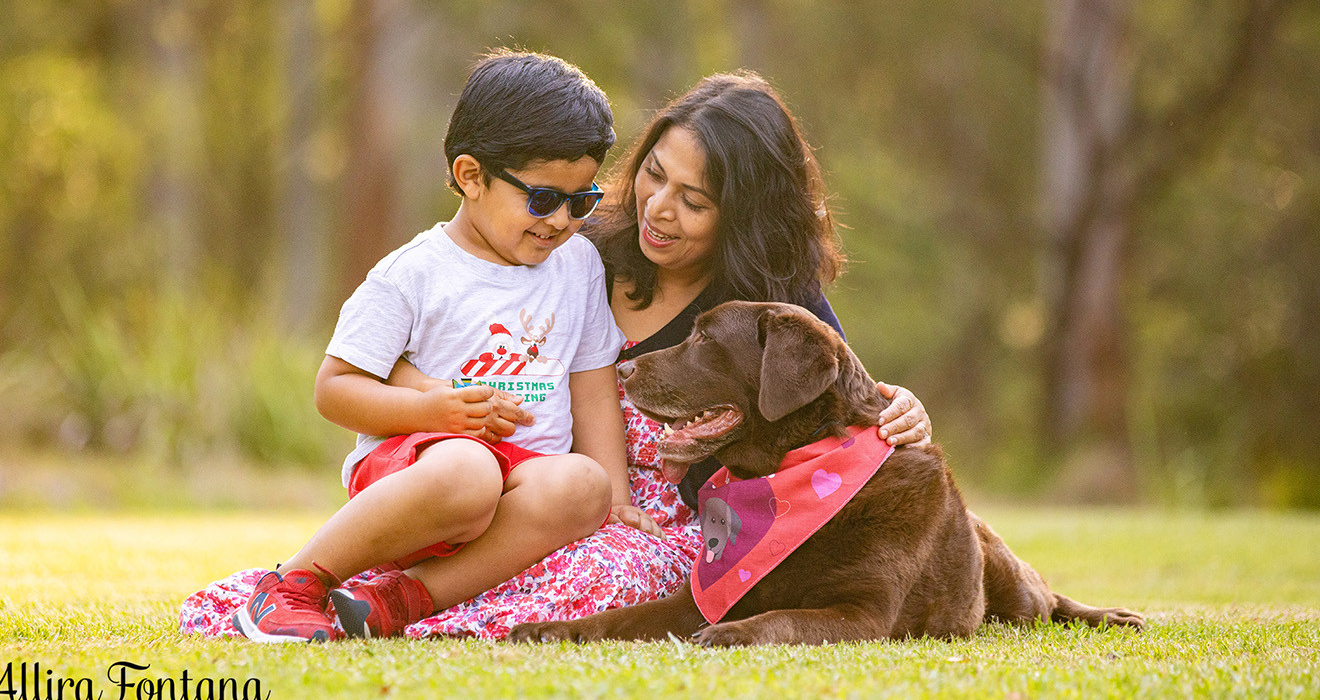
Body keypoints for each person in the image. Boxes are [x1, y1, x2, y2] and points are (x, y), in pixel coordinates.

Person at [179, 70, 929, 640]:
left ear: (744, 216)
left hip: (606, 509)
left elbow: (841, 391)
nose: (657, 209)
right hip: (468, 467)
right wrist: (438, 402)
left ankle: (397, 602)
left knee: (605, 554)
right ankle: (308, 586)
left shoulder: (763, 300)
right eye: (652, 176)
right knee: (488, 486)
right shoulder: (576, 244)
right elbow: (402, 355)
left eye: (694, 201)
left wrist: (904, 407)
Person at [228, 50, 659, 643]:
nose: (561, 221)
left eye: (580, 202)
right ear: (471, 176)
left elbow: (590, 384)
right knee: (469, 468)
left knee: (584, 483)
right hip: (424, 470)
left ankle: (397, 602)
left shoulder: (577, 265)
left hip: (521, 487)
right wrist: (434, 412)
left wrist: (616, 496)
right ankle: (294, 584)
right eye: (542, 199)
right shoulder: (415, 274)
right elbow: (335, 390)